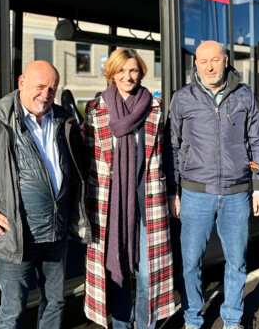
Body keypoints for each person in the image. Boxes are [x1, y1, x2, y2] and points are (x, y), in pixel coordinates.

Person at [0, 60, 91, 329]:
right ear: (22, 83)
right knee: (13, 311)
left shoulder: (62, 121)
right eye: (39, 87)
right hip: (17, 237)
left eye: (51, 89)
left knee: (55, 303)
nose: (45, 95)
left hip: (56, 234)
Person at [167, 40, 259, 329]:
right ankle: (192, 319)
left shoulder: (244, 95)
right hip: (194, 194)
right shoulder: (182, 99)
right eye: (203, 61)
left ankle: (233, 319)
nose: (209, 66)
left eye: (215, 60)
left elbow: (257, 142)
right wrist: (172, 192)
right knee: (190, 264)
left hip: (236, 193)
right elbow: (171, 147)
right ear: (195, 64)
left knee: (236, 263)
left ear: (225, 60)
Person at [83, 48, 175, 329]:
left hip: (147, 201)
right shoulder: (94, 110)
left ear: (141, 73)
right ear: (111, 72)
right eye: (121, 70)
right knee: (116, 268)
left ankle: (147, 325)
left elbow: (164, 154)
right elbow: (88, 157)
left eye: (133, 70)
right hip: (109, 204)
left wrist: (172, 191)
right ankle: (122, 325)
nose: (128, 76)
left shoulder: (155, 108)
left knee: (149, 273)